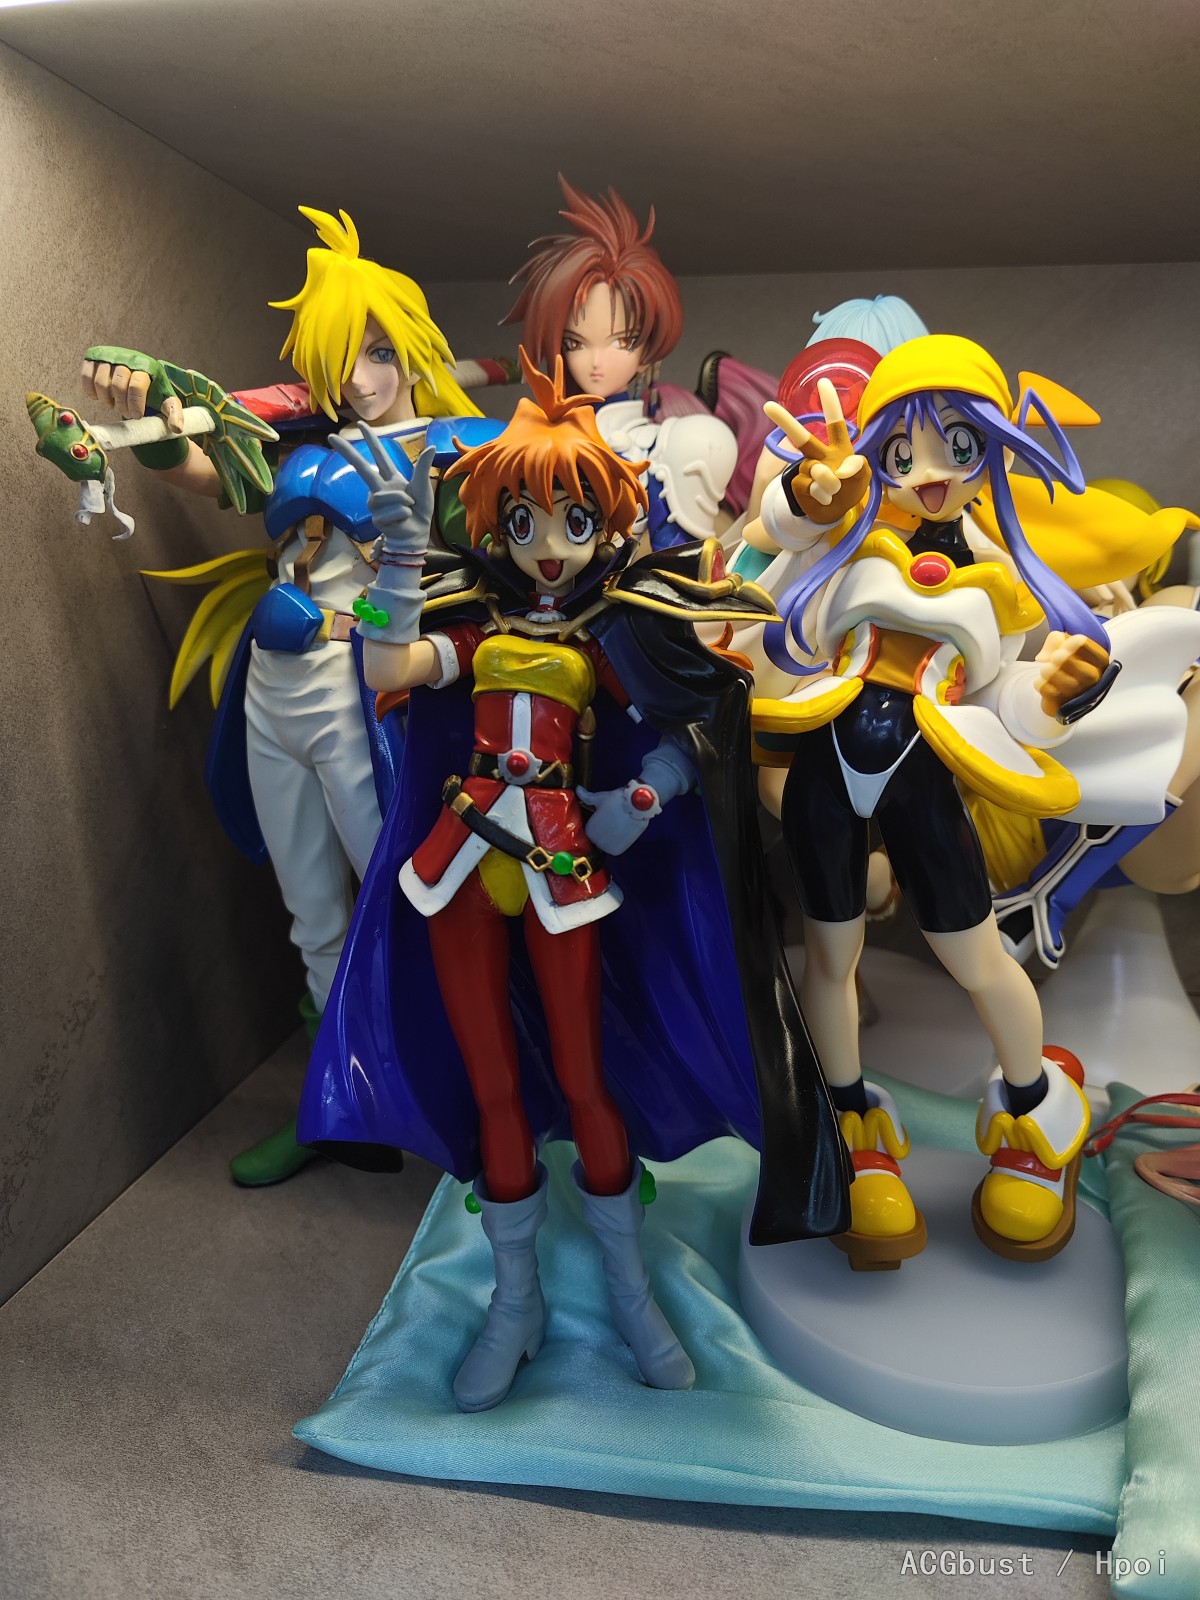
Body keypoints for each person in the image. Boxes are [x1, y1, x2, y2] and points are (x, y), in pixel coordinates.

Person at [297, 350, 850, 1408]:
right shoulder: (472, 622)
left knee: (587, 1080)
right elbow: (389, 669)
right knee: (494, 1084)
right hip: (458, 863)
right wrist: (402, 558)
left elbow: (697, 726)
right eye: (522, 522)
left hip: (564, 864)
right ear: (493, 527)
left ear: (609, 525)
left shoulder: (619, 633)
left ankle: (630, 1292)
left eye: (574, 521)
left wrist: (642, 795)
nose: (547, 546)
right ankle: (515, 1300)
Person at [754, 334, 1200, 1268]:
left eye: (956, 447)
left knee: (980, 960)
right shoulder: (845, 535)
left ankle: (1037, 1114)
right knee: (827, 961)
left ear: (992, 448)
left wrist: (1057, 695)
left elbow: (1010, 704)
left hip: (926, 776)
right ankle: (854, 1130)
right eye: (902, 449)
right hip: (828, 771)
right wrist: (806, 496)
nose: (927, 472)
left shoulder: (1001, 575)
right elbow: (771, 546)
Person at [80, 206, 486, 1184]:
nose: (362, 378)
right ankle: (338, 1109)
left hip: (366, 694)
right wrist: (149, 409)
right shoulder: (303, 443)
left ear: (412, 349)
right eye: (343, 358)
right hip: (274, 690)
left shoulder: (462, 448)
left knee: (406, 900)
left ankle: (456, 1101)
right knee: (311, 912)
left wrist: (366, 619)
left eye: (379, 352)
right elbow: (200, 470)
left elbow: (491, 578)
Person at [504, 176, 774, 546]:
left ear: (647, 351)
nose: (596, 362)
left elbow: (675, 561)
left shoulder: (664, 447)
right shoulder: (533, 438)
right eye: (575, 343)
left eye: (622, 342)